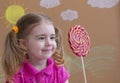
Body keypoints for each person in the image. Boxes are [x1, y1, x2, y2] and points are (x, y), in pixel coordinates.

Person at [2, 12, 70, 83]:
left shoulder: (59, 71)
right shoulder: (17, 76)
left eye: (52, 37)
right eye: (41, 38)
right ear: (24, 44)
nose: (49, 43)